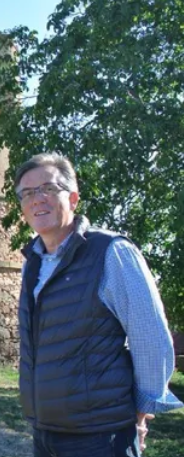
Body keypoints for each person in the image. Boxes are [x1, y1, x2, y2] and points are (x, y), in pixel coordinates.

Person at [14, 153, 182, 457]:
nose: (37, 199)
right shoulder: (32, 264)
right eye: (27, 193)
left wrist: (140, 414)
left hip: (101, 436)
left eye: (48, 189)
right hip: (45, 433)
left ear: (74, 198)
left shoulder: (111, 252)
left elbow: (151, 338)